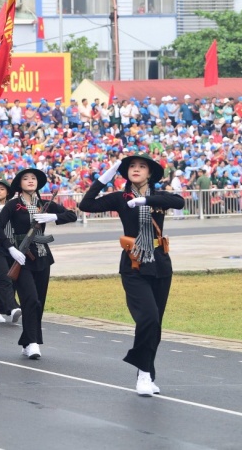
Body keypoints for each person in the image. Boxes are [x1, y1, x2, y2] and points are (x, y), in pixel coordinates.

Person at [79, 154, 184, 396]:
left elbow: (178, 202)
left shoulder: (159, 197)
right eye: (131, 167)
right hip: (134, 263)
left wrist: (145, 200)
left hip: (159, 263)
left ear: (150, 173)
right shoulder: (120, 198)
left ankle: (147, 374)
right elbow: (86, 204)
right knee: (147, 318)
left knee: (155, 323)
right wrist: (105, 177)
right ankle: (144, 374)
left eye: (141, 166)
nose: (136, 169)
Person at [0, 168, 77, 360]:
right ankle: (32, 342)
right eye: (26, 178)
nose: (31, 181)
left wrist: (54, 217)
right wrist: (10, 248)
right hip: (22, 257)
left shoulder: (45, 205)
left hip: (42, 256)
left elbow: (71, 215)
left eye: (33, 178)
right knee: (30, 299)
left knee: (39, 301)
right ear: (19, 184)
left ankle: (27, 339)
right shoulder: (13, 205)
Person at [0, 179, 22, 324]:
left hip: (12, 246)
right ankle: (13, 307)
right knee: (3, 278)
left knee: (11, 278)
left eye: (2, 189)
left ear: (7, 192)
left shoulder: (14, 206)